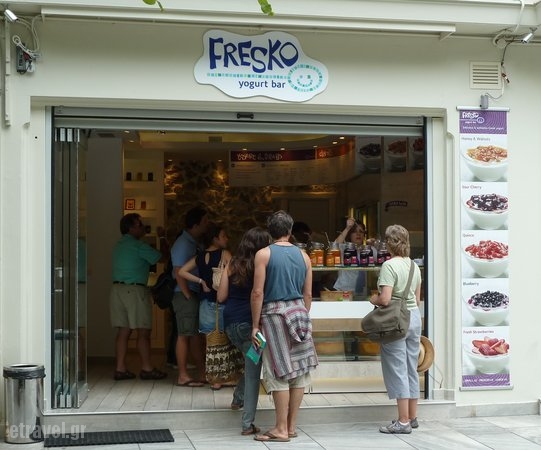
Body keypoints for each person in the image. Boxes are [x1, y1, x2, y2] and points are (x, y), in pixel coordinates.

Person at [251, 210, 318, 443]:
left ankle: (279, 428)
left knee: (278, 369)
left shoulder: (264, 254)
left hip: (274, 316)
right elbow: (308, 294)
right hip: (299, 312)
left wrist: (255, 325)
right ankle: (290, 427)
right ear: (290, 231)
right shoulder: (304, 256)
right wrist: (301, 313)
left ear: (270, 231)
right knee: (299, 370)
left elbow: (257, 292)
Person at [216, 226, 272, 436]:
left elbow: (221, 297)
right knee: (253, 373)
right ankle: (247, 424)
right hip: (251, 325)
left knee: (251, 363)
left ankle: (238, 398)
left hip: (231, 323)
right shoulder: (262, 265)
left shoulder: (232, 263)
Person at [369, 224, 422, 434]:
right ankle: (412, 416)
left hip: (396, 321)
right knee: (411, 367)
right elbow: (417, 299)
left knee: (398, 369)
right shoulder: (414, 266)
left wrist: (373, 299)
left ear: (389, 244)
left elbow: (385, 299)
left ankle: (403, 421)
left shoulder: (389, 266)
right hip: (414, 317)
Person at [109, 213, 168, 381]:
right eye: (140, 224)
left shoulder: (118, 245)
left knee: (123, 331)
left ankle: (120, 368)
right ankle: (147, 368)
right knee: (143, 331)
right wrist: (162, 237)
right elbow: (162, 257)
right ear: (131, 228)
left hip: (117, 290)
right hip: (135, 290)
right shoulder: (139, 246)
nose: (143, 227)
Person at [178, 222, 232, 390]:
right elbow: (235, 273)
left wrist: (201, 281)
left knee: (210, 342)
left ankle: (212, 377)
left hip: (204, 303)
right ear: (215, 239)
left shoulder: (200, 256)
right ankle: (222, 378)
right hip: (221, 302)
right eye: (223, 236)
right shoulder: (225, 254)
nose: (226, 239)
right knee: (224, 340)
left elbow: (181, 271)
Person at [170, 206, 209, 387]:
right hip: (185, 293)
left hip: (191, 292)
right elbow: (179, 271)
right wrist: (187, 294)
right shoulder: (183, 243)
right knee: (185, 334)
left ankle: (201, 372)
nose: (207, 224)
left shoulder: (193, 242)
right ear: (196, 224)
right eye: (205, 221)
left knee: (193, 334)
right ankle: (183, 375)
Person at [333, 218, 368, 297]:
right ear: (350, 235)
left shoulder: (369, 250)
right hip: (344, 291)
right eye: (355, 232)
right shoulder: (344, 249)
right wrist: (347, 228)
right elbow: (334, 246)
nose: (358, 234)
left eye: (361, 231)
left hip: (363, 293)